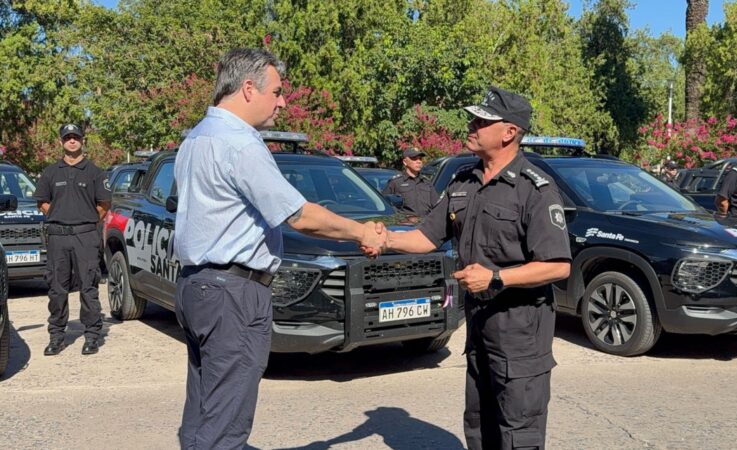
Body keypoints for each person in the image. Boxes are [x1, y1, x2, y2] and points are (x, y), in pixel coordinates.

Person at [173, 48, 385, 450]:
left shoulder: (197, 137)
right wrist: (361, 232)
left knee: (203, 411)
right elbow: (299, 216)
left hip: (198, 287)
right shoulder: (240, 144)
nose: (283, 102)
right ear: (248, 88)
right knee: (225, 425)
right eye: (278, 92)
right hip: (232, 294)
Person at [376, 86, 571, 450]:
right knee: (479, 426)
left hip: (521, 334)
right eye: (474, 118)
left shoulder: (535, 190)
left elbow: (558, 266)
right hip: (480, 327)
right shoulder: (463, 182)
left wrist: (496, 277)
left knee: (518, 432)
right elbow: (426, 237)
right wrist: (383, 239)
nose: (472, 125)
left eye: (483, 120)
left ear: (509, 132)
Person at [34, 123, 111, 356]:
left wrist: (83, 220)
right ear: (61, 142)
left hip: (86, 237)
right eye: (67, 137)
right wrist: (61, 216)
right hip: (58, 237)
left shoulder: (95, 172)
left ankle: (92, 335)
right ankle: (56, 336)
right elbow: (42, 203)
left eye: (75, 137)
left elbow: (104, 206)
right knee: (57, 289)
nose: (72, 141)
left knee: (88, 287)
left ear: (82, 141)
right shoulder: (50, 172)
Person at [382, 148, 438, 216]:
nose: (419, 161)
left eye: (420, 158)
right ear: (405, 162)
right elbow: (384, 204)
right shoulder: (396, 183)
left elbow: (436, 206)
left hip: (425, 223)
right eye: (414, 158)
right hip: (405, 224)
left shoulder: (427, 183)